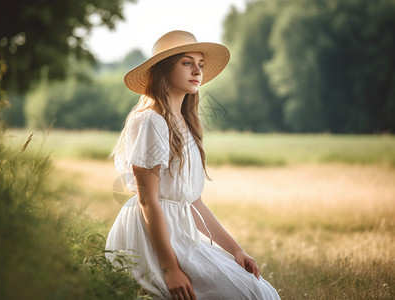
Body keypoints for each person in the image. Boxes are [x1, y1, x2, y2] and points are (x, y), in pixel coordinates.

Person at [106, 30, 280, 300]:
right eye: (187, 63)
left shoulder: (186, 125)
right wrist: (170, 269)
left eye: (200, 64)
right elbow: (147, 200)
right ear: (163, 71)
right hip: (150, 238)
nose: (197, 70)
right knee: (250, 296)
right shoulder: (151, 120)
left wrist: (236, 250)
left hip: (182, 235)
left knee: (262, 291)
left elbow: (193, 201)